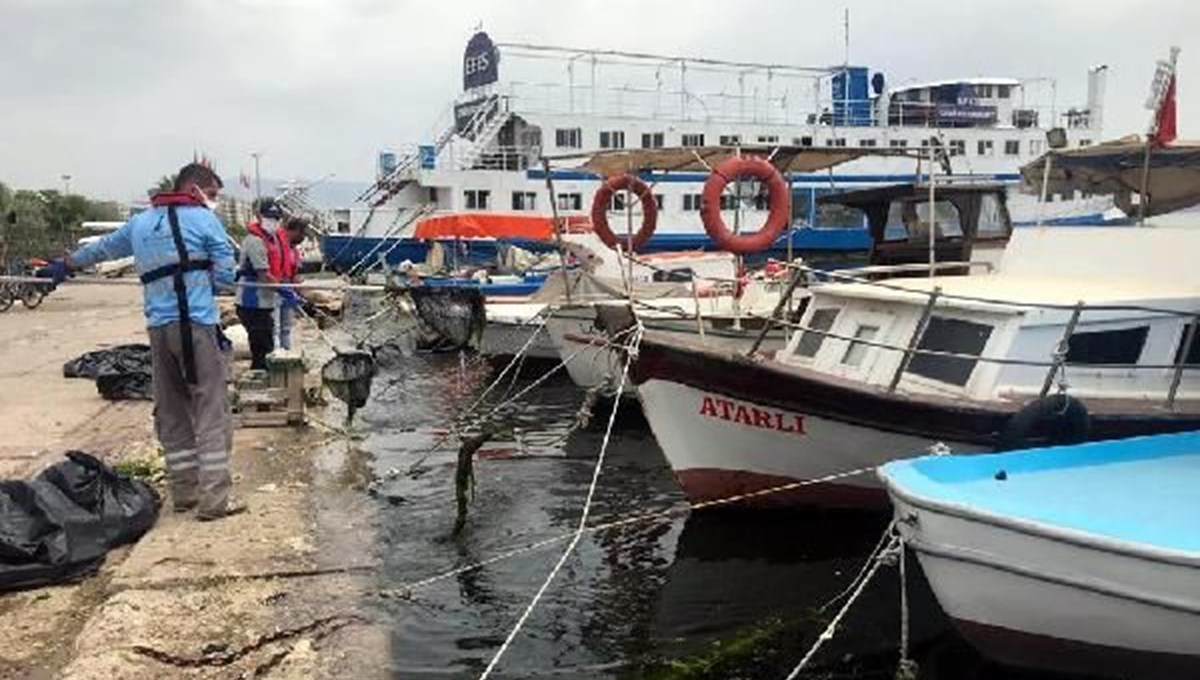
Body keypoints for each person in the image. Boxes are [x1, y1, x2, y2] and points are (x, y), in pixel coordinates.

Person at [38, 163, 243, 521]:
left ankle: (184, 493)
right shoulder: (206, 221)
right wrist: (208, 280)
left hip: (159, 330)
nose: (213, 201)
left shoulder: (141, 222)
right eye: (212, 194)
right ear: (195, 189)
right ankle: (215, 501)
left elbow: (101, 250)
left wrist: (62, 265)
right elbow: (226, 275)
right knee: (211, 409)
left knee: (172, 408)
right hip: (195, 325)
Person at [235, 199, 287, 370]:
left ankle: (261, 374)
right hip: (252, 302)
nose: (273, 222)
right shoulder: (255, 241)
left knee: (266, 342)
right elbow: (263, 274)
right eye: (269, 217)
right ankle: (259, 379)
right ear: (259, 216)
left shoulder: (273, 239)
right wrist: (285, 291)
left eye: (277, 218)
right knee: (262, 347)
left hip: (265, 302)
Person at [275, 218, 308, 351]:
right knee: (275, 327)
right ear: (292, 230)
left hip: (288, 290)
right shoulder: (276, 244)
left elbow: (295, 274)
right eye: (302, 233)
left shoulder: (293, 249)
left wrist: (301, 297)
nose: (303, 237)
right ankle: (276, 357)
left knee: (286, 327)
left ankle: (287, 354)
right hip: (275, 289)